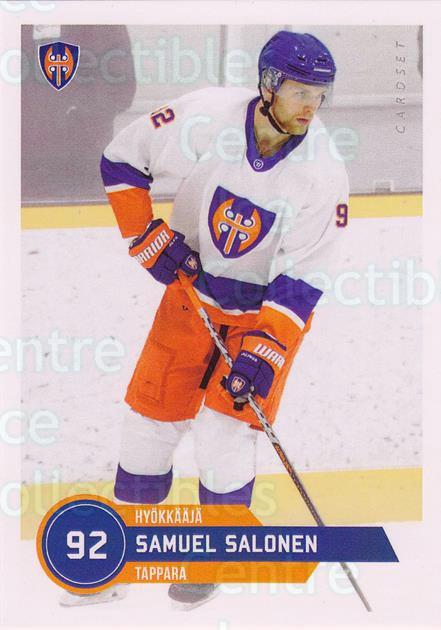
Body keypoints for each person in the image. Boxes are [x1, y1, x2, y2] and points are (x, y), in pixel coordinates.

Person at [61, 30, 349, 609]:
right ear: (268, 84)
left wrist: (262, 355)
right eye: (299, 92)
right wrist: (143, 235)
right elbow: (122, 157)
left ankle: (209, 561)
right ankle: (121, 560)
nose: (310, 107)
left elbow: (303, 281)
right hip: (190, 296)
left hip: (263, 316)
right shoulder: (209, 114)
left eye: (320, 95)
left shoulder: (323, 173)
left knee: (224, 436)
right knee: (147, 427)